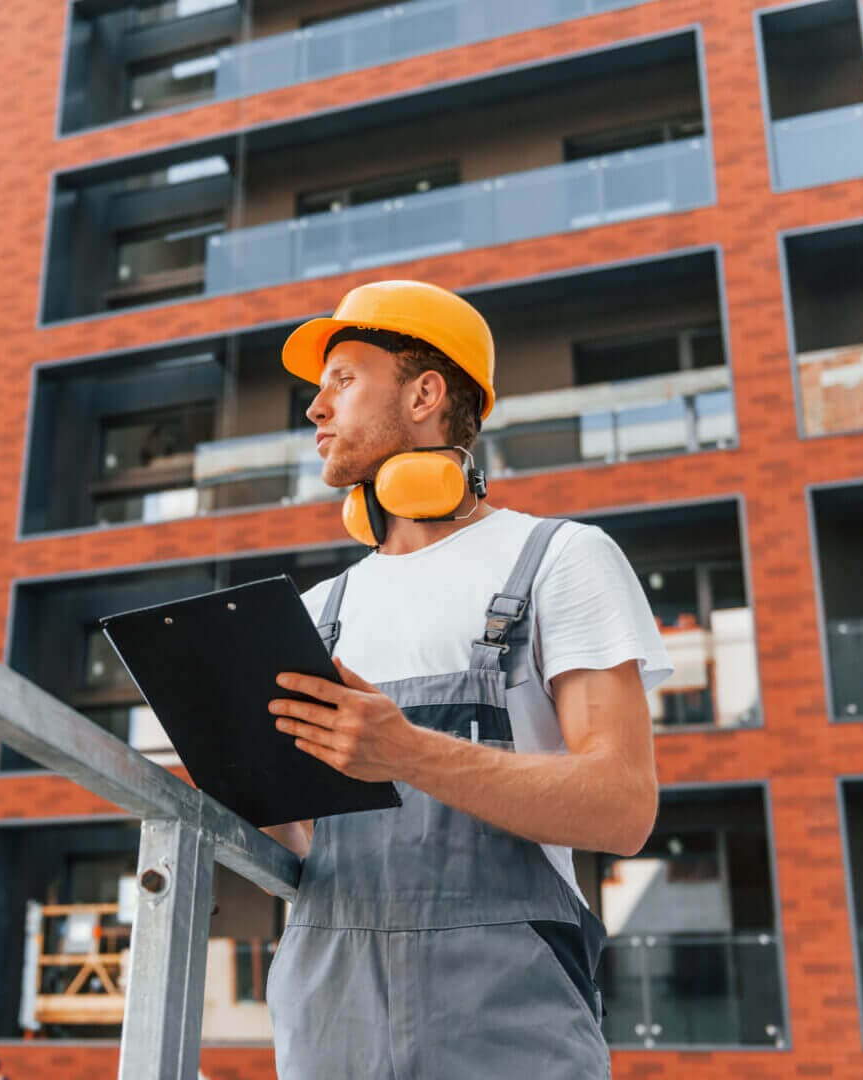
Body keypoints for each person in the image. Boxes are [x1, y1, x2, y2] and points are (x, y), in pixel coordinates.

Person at [262, 279, 672, 1077]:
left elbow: (624, 806)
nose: (315, 410)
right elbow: (317, 853)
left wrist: (407, 751)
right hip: (327, 1013)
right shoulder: (318, 613)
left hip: (505, 1015)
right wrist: (241, 782)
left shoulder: (561, 558)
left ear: (425, 394)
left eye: (342, 381)